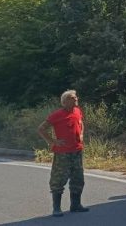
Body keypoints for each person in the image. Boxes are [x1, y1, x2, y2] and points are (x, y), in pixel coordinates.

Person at [38, 89, 89, 217]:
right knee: (58, 179)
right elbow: (41, 129)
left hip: (77, 150)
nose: (76, 98)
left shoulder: (77, 111)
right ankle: (57, 208)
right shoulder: (57, 115)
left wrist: (81, 134)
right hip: (63, 153)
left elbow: (81, 123)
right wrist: (52, 141)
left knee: (78, 178)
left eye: (76, 97)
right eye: (73, 97)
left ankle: (75, 205)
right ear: (65, 101)